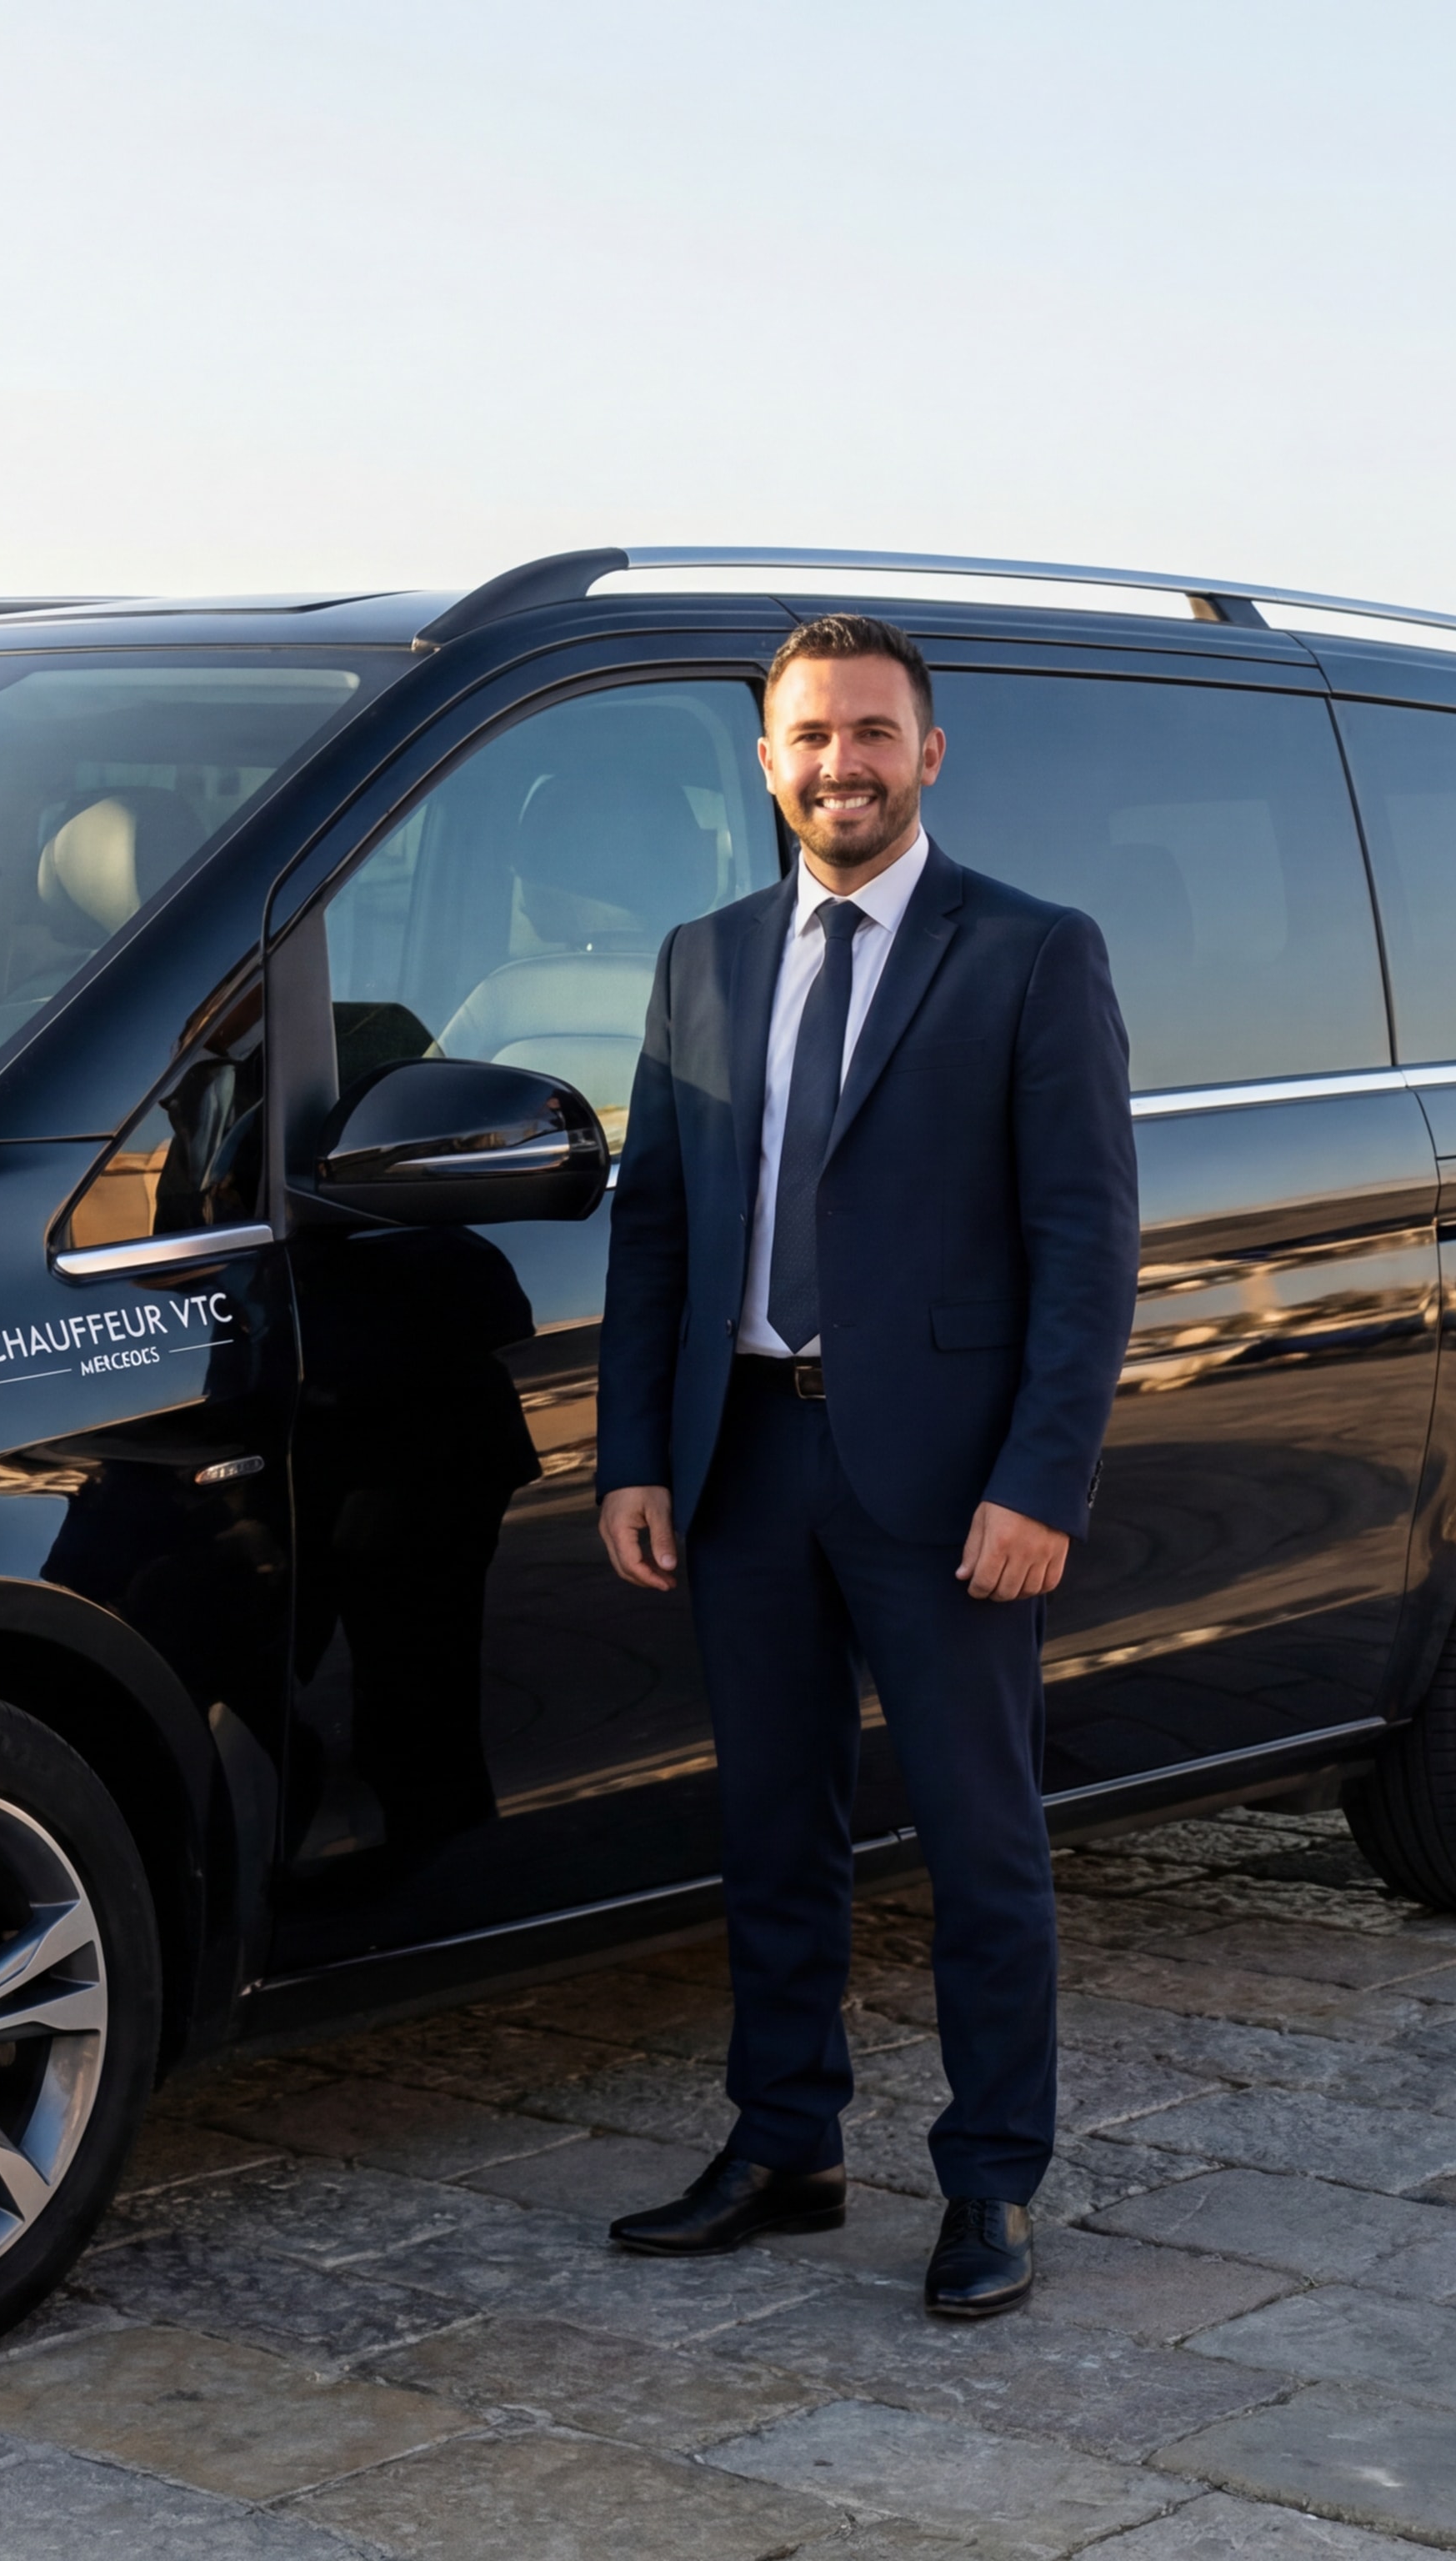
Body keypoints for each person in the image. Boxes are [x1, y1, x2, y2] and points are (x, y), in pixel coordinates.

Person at [589, 614, 1137, 2319]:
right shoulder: (700, 959)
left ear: (928, 755)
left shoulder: (1030, 955)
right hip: (743, 1457)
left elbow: (1084, 1243)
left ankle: (988, 2182)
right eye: (810, 737)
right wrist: (634, 1453)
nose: (841, 765)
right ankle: (784, 2147)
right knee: (769, 1828)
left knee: (979, 1840)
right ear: (764, 760)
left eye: (872, 735)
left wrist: (1039, 1481)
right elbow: (656, 1233)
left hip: (946, 1476)